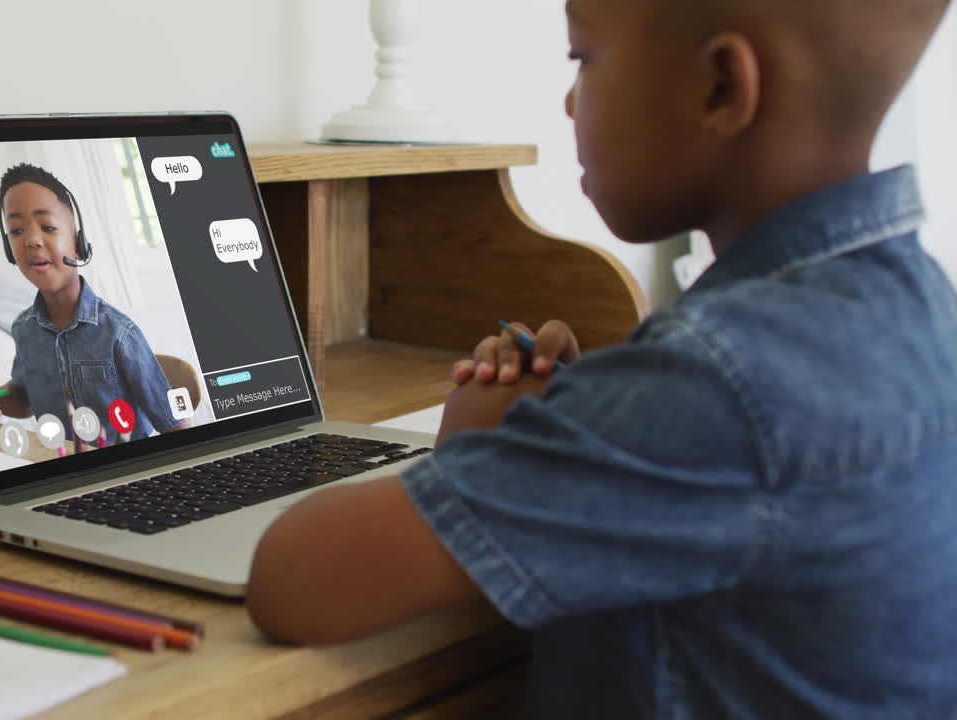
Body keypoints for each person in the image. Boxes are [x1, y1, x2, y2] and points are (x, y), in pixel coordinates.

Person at [246, 0, 957, 716]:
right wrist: (590, 419)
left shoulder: (712, 384)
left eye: (582, 60)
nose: (566, 100)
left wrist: (486, 450)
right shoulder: (923, 309)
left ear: (720, 86)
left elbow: (293, 581)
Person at [0, 163, 189, 448]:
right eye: (16, 230)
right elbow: (24, 399)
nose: (32, 240)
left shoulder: (118, 332)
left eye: (48, 227)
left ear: (78, 243)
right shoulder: (24, 329)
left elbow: (175, 426)